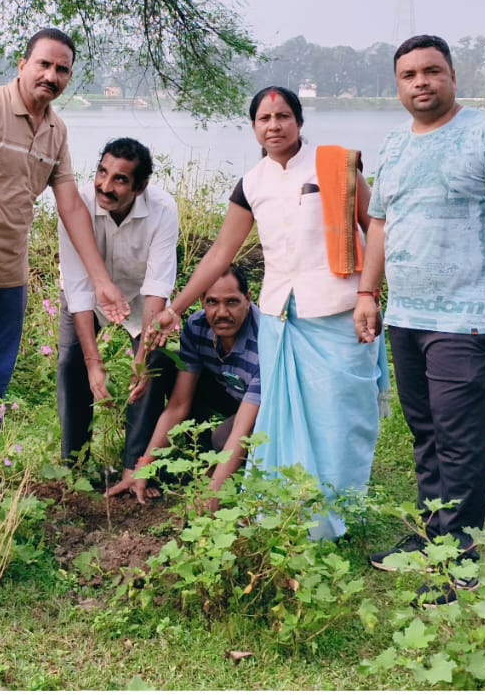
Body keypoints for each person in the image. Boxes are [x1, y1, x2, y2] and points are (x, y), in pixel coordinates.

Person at [145, 86, 388, 537]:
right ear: (254, 126)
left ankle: (342, 513)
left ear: (299, 121)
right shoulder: (251, 182)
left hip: (338, 310)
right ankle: (294, 515)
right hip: (282, 318)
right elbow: (221, 253)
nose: (273, 125)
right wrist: (175, 308)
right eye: (263, 118)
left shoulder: (336, 164)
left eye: (282, 116)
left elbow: (374, 226)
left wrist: (369, 293)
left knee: (341, 416)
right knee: (286, 419)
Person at [355, 34, 485, 600]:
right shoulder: (392, 147)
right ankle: (429, 536)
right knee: (427, 433)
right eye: (409, 75)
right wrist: (368, 291)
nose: (421, 83)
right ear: (397, 86)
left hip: (469, 316)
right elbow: (381, 224)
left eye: (431, 71)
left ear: (452, 76)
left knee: (460, 439)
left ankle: (457, 561)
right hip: (408, 316)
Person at [0, 28, 129, 457]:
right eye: (44, 64)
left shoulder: (56, 130)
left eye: (62, 70)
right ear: (23, 64)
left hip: (9, 279)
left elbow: (71, 206)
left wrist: (101, 281)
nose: (51, 76)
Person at [55, 137, 179, 480]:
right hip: (89, 296)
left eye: (120, 179)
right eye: (102, 172)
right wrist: (94, 363)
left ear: (140, 187)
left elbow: (158, 286)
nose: (105, 187)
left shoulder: (164, 210)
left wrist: (140, 359)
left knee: (152, 365)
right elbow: (79, 287)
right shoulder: (76, 204)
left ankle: (133, 468)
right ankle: (75, 465)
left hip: (141, 298)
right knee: (72, 363)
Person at [107, 266, 260, 505]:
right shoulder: (198, 327)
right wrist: (145, 465)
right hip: (230, 393)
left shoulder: (264, 339)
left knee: (224, 439)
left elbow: (243, 426)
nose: (222, 312)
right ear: (201, 301)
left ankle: (230, 471)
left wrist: (212, 493)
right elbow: (179, 404)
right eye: (212, 302)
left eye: (232, 302)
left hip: (267, 408)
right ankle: (201, 453)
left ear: (248, 299)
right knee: (161, 362)